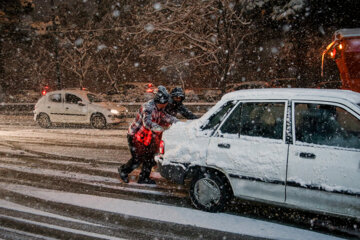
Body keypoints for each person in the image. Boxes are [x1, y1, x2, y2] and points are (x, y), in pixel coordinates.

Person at [118, 86, 178, 184]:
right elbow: (147, 122)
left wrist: (178, 123)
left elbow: (165, 117)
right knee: (137, 159)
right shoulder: (148, 108)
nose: (167, 104)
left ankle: (144, 178)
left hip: (147, 137)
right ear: (161, 101)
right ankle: (123, 171)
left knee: (150, 158)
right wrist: (161, 129)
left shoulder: (160, 109)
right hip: (135, 136)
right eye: (166, 102)